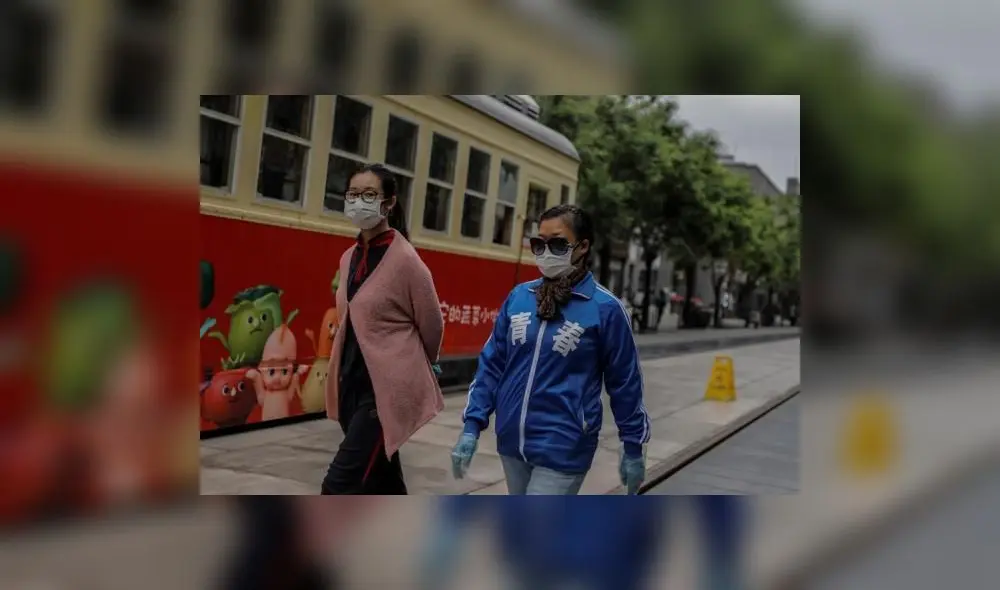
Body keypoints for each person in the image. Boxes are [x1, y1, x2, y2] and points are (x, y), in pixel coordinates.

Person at [451, 204, 650, 495]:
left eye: (556, 243)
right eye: (538, 243)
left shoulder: (606, 309)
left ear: (582, 247)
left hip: (564, 447)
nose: (545, 252)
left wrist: (633, 445)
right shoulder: (520, 298)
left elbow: (625, 382)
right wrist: (471, 425)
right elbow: (492, 365)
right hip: (512, 443)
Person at [320, 163, 445, 494]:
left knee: (338, 486)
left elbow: (432, 323)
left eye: (369, 194)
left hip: (383, 392)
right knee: (384, 482)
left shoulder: (406, 260)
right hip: (351, 385)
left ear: (389, 203)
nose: (359, 201)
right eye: (353, 194)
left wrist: (411, 368)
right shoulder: (349, 257)